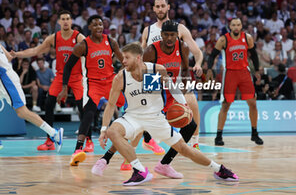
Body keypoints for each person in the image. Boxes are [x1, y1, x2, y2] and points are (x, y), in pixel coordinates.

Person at [93, 42, 238, 186]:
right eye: (123, 58)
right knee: (113, 131)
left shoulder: (155, 70)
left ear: (138, 58)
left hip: (155, 117)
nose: (122, 61)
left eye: (126, 57)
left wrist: (184, 105)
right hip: (132, 117)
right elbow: (111, 104)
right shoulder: (121, 77)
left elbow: (173, 88)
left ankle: (219, 169)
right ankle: (139, 171)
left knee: (184, 149)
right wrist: (103, 129)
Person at [93, 20, 199, 178]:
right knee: (136, 128)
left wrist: (181, 95)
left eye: (173, 35)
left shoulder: (183, 48)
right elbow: (143, 76)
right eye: (166, 35)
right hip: (153, 93)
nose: (170, 38)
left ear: (178, 36)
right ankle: (108, 159)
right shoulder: (151, 51)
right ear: (161, 35)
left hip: (171, 92)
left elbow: (184, 69)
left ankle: (164, 164)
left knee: (190, 126)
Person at [11, 11, 89, 151]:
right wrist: (17, 54)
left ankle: (88, 140)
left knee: (82, 106)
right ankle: (50, 140)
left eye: (67, 19)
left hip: (76, 76)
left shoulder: (78, 37)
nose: (65, 21)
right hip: (60, 76)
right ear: (59, 22)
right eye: (63, 19)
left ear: (71, 21)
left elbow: (90, 52)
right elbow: (36, 50)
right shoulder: (54, 38)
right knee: (48, 104)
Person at [57, 15, 124, 166]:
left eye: (100, 24)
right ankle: (78, 149)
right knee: (89, 111)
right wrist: (64, 87)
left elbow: (124, 60)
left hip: (110, 81)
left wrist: (125, 72)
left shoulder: (110, 41)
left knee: (129, 106)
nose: (99, 27)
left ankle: (137, 142)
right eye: (95, 25)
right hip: (92, 83)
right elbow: (67, 66)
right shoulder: (83, 45)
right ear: (89, 28)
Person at [140, 0, 203, 151]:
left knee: (191, 104)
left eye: (163, 6)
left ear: (168, 7)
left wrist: (199, 64)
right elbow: (140, 55)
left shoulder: (180, 28)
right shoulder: (148, 30)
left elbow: (196, 51)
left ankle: (194, 140)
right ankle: (147, 139)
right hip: (154, 78)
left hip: (176, 76)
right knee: (148, 112)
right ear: (154, 9)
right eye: (157, 6)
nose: (160, 9)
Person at [207, 18, 263, 146]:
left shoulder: (247, 38)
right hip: (230, 73)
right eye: (234, 25)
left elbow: (254, 54)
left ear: (241, 26)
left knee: (253, 103)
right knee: (226, 105)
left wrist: (257, 70)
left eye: (238, 24)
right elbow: (212, 55)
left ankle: (254, 133)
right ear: (230, 27)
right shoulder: (223, 39)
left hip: (244, 72)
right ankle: (218, 135)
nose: (236, 27)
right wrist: (209, 69)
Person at [0, 45, 63, 151]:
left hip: (6, 79)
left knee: (22, 112)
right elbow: (9, 57)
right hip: (3, 79)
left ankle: (54, 133)